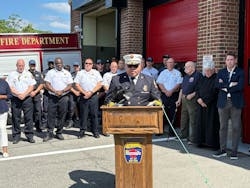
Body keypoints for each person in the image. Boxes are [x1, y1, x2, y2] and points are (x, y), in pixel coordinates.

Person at [213, 53, 244, 160]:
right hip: (223, 102)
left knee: (236, 127)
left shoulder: (240, 72)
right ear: (225, 61)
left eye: (231, 59)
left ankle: (234, 152)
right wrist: (230, 85)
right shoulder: (221, 72)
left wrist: (225, 87)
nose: (229, 61)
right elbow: (217, 85)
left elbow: (240, 86)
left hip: (235, 103)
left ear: (235, 60)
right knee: (222, 127)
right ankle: (222, 150)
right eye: (228, 60)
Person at [43, 57, 73, 142]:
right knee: (51, 115)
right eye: (57, 63)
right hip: (53, 97)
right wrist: (55, 91)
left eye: (60, 63)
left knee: (62, 115)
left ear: (62, 63)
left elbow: (70, 85)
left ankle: (59, 132)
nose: (59, 65)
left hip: (64, 97)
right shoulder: (50, 72)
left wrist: (62, 91)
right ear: (55, 64)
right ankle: (49, 132)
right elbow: (47, 84)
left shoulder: (67, 73)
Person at [7, 59, 36, 144]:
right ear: (16, 65)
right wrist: (18, 94)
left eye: (22, 65)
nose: (21, 67)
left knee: (29, 118)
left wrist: (24, 94)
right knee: (16, 118)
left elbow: (32, 86)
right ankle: (16, 136)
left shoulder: (28, 74)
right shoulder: (12, 74)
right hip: (16, 99)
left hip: (27, 98)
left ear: (24, 66)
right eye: (19, 65)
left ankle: (29, 136)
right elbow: (10, 87)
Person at [74, 58, 103, 139]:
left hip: (93, 95)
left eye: (90, 63)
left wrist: (91, 92)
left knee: (94, 114)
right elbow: (76, 84)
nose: (88, 65)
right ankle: (82, 131)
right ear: (84, 64)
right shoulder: (80, 73)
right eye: (86, 63)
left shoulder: (96, 72)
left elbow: (100, 84)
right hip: (83, 96)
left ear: (92, 65)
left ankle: (95, 131)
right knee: (83, 114)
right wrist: (84, 92)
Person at [176, 61, 202, 145]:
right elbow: (182, 89)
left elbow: (200, 88)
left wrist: (193, 94)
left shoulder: (198, 75)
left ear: (192, 67)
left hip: (192, 100)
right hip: (184, 98)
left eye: (186, 67)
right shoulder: (186, 77)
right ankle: (183, 135)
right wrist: (179, 99)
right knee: (184, 117)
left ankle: (192, 138)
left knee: (192, 119)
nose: (184, 68)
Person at [195, 61, 220, 149]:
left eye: (209, 70)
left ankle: (212, 144)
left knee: (211, 125)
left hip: (211, 106)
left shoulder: (216, 78)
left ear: (213, 70)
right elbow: (197, 89)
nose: (207, 72)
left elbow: (215, 92)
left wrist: (206, 101)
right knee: (200, 124)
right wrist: (199, 99)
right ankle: (200, 142)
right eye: (206, 70)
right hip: (200, 105)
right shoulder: (202, 78)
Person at [156, 57, 183, 136]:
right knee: (162, 113)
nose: (170, 64)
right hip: (164, 95)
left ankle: (172, 132)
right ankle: (160, 130)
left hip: (173, 95)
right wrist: (165, 91)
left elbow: (179, 84)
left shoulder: (177, 73)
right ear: (166, 64)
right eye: (169, 62)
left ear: (174, 64)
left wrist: (171, 91)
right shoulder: (163, 72)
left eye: (172, 62)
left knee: (172, 113)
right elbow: (159, 83)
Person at [28, 60, 44, 132]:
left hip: (36, 94)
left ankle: (38, 127)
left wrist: (35, 91)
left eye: (34, 65)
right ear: (29, 65)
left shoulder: (38, 74)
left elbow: (41, 84)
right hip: (28, 95)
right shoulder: (26, 74)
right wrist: (29, 92)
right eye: (31, 65)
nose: (32, 66)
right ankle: (29, 128)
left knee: (38, 111)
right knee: (29, 112)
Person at [65, 62, 81, 128]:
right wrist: (74, 92)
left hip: (81, 93)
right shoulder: (71, 75)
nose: (75, 67)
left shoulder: (83, 74)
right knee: (71, 108)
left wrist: (80, 91)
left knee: (82, 108)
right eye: (74, 66)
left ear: (79, 66)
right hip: (72, 93)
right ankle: (70, 121)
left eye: (77, 66)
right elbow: (68, 85)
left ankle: (81, 122)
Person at [0, 77, 12, 157]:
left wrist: (2, 97)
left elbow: (10, 95)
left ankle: (5, 149)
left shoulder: (3, 83)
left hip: (2, 109)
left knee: (2, 129)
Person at [41, 58, 54, 129]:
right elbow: (43, 83)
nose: (51, 65)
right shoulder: (44, 72)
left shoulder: (56, 72)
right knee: (45, 109)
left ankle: (54, 123)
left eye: (52, 63)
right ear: (48, 64)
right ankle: (44, 123)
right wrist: (49, 89)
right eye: (50, 63)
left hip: (54, 93)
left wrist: (53, 90)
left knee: (54, 109)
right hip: (46, 93)